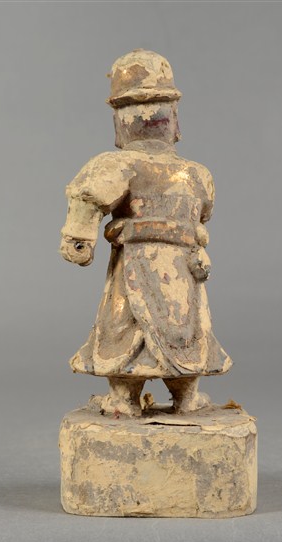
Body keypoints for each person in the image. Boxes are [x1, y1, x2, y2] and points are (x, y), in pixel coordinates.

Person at [60, 49, 232, 417]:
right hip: (180, 271)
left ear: (119, 121)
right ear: (174, 119)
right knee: (181, 327)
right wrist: (80, 236)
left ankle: (126, 400)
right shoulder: (197, 175)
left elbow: (86, 201)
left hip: (141, 267)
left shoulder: (116, 165)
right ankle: (184, 398)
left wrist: (79, 239)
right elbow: (203, 215)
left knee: (127, 327)